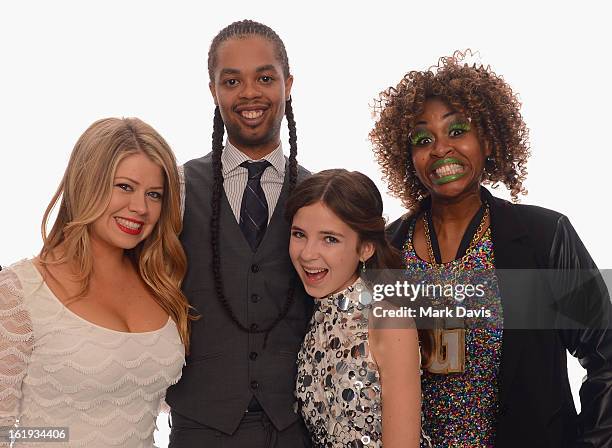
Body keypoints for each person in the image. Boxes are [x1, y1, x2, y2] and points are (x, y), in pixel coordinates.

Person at [370, 50, 612, 447]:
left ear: (488, 138)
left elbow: (606, 354)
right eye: (422, 138)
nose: (440, 149)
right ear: (407, 155)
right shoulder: (388, 250)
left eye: (457, 131)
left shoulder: (543, 237)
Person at [0, 117, 191, 447]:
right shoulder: (20, 292)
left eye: (155, 194)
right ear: (87, 182)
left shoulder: (160, 283)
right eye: (125, 187)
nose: (140, 208)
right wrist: (63, 437)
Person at [165, 20, 312, 447]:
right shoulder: (174, 188)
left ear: (288, 85)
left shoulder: (320, 196)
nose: (249, 93)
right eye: (232, 80)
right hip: (199, 429)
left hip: (295, 430)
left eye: (265, 78)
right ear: (214, 90)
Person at [286, 169, 431, 448]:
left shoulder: (388, 320)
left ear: (365, 248)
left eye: (330, 239)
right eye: (299, 234)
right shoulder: (314, 316)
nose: (307, 253)